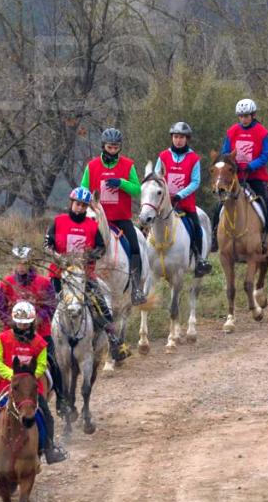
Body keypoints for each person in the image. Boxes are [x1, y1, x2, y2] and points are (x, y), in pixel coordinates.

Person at [0, 301, 68, 464]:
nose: (22, 326)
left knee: (46, 415)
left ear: (32, 322)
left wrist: (28, 378)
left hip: (30, 386)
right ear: (14, 321)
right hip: (4, 383)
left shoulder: (40, 342)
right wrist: (13, 376)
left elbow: (42, 364)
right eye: (19, 322)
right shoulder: (2, 339)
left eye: (26, 323)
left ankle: (49, 448)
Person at [45, 187, 130, 362]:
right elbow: (47, 244)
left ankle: (115, 341)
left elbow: (101, 248)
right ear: (71, 203)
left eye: (84, 205)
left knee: (101, 304)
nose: (80, 208)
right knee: (49, 306)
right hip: (59, 274)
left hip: (84, 275)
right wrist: (58, 257)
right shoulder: (59, 221)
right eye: (77, 204)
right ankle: (47, 348)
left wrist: (87, 257)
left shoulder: (92, 226)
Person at [80, 127, 147, 306]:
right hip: (97, 219)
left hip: (120, 217)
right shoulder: (92, 166)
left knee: (135, 247)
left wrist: (121, 183)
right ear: (103, 146)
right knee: (82, 249)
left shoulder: (128, 165)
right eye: (109, 147)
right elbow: (83, 190)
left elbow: (137, 189)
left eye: (116, 147)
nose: (112, 151)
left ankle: (136, 287)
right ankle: (81, 285)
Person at [0, 246, 63, 406]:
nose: (21, 267)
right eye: (18, 263)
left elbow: (51, 304)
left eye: (24, 263)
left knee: (53, 363)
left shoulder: (43, 282)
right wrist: (10, 322)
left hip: (40, 334)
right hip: (12, 334)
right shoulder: (7, 283)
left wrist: (39, 319)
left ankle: (62, 398)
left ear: (30, 263)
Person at [211, 98, 268, 252]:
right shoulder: (232, 131)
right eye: (241, 116)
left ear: (253, 115)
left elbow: (265, 155)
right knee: (220, 204)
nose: (243, 119)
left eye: (246, 116)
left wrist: (251, 166)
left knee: (265, 202)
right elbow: (225, 152)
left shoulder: (262, 132)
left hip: (256, 176)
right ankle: (214, 235)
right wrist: (232, 165)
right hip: (235, 176)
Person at [155, 121, 212, 277]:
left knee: (196, 228)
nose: (178, 140)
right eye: (175, 137)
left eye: (181, 137)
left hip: (185, 204)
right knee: (147, 222)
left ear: (187, 139)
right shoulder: (163, 156)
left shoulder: (193, 158)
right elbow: (156, 177)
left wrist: (181, 194)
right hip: (164, 204)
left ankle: (200, 259)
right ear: (172, 138)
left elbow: (195, 182)